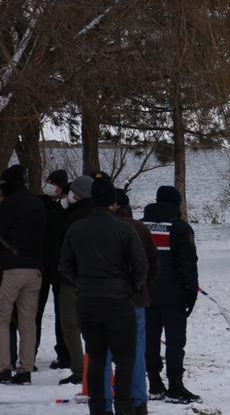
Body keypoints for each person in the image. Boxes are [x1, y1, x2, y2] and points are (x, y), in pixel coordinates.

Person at [60, 176, 148, 415]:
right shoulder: (125, 228)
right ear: (113, 202)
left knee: (97, 357)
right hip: (119, 301)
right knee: (126, 359)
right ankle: (123, 408)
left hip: (88, 301)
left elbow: (65, 266)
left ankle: (98, 409)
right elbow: (140, 266)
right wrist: (128, 287)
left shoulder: (76, 228)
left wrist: (82, 283)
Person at [141, 186, 200, 403]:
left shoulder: (140, 226)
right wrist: (191, 293)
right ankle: (175, 386)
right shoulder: (180, 228)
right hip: (173, 293)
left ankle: (155, 383)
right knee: (175, 341)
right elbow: (188, 265)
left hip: (145, 292)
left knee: (150, 339)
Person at [103, 189, 159, 415]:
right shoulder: (139, 229)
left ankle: (103, 402)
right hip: (134, 299)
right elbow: (152, 265)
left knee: (101, 355)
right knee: (135, 352)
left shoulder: (91, 228)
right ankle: (138, 401)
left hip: (100, 299)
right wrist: (141, 286)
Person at [0, 165, 47, 385]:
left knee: (2, 318)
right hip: (35, 269)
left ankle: (3, 367)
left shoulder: (9, 205)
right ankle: (25, 369)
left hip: (11, 269)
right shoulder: (38, 203)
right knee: (28, 321)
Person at [57, 175, 95, 385]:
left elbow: (64, 248)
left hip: (73, 278)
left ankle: (80, 367)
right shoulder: (97, 215)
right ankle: (94, 364)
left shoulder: (71, 217)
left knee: (70, 323)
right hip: (94, 277)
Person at [38, 170, 72, 371]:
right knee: (35, 312)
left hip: (59, 267)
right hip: (42, 264)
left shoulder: (67, 207)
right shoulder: (41, 203)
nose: (49, 186)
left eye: (53, 183)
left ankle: (64, 353)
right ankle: (30, 353)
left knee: (63, 314)